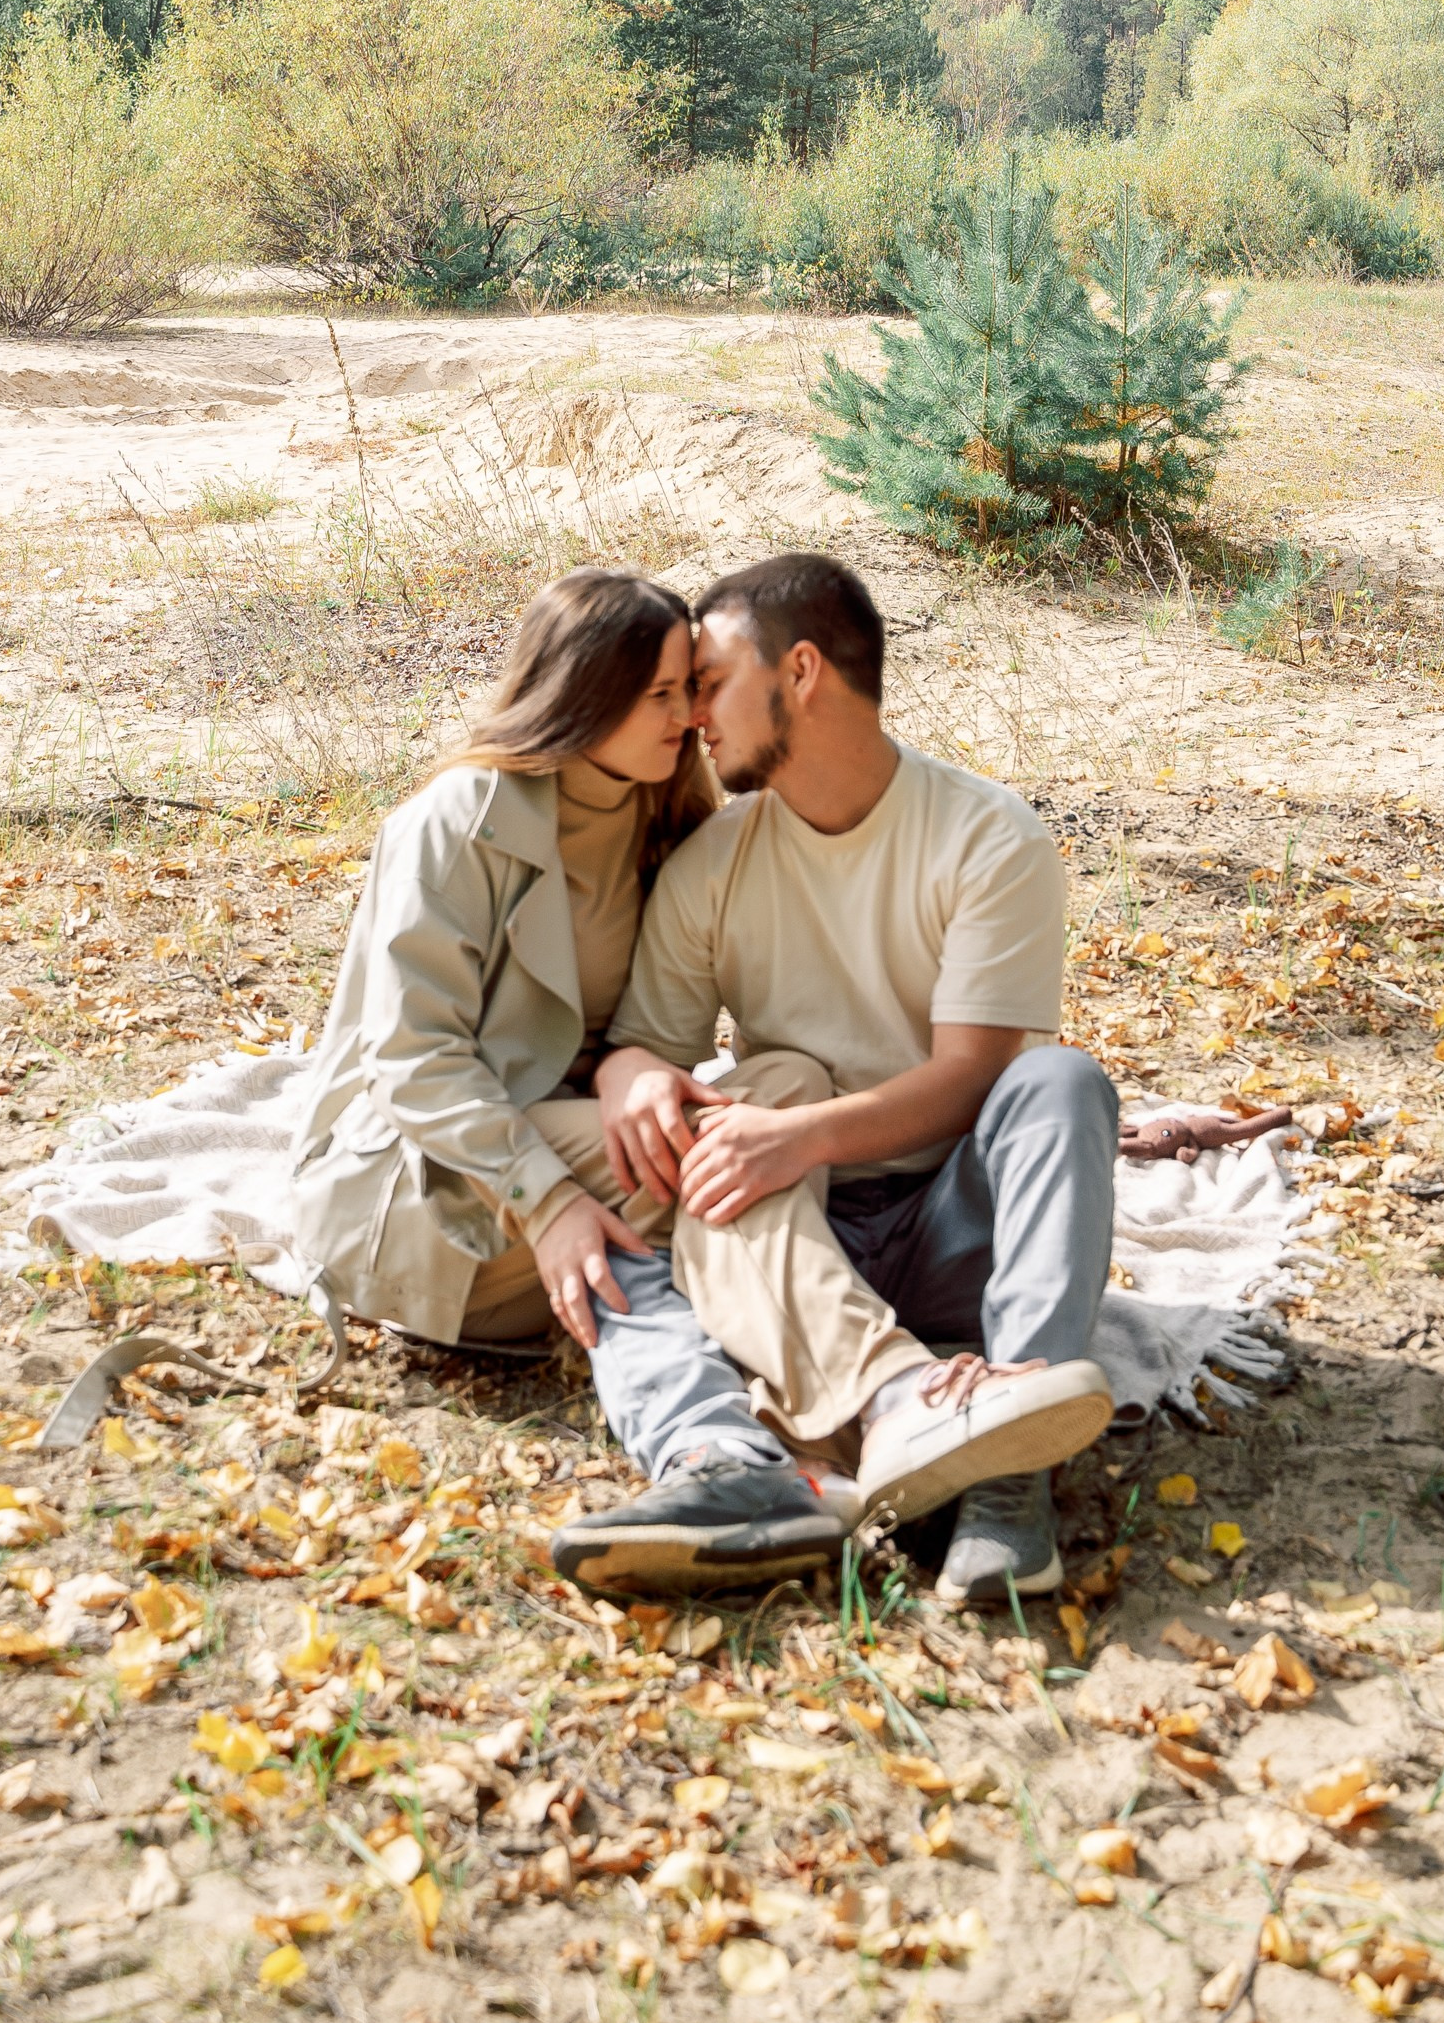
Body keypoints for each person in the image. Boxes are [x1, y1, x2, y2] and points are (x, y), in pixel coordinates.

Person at [551, 550, 1119, 1612]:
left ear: (801, 671)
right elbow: (647, 1048)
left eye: (710, 683)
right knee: (719, 1128)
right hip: (789, 1236)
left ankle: (1008, 1482)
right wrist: (631, 1074)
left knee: (1059, 1080)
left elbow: (971, 1077)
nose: (692, 718)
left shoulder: (986, 836)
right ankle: (842, 1435)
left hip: (952, 1225)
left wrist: (802, 1135)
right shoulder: (714, 860)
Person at [290, 567, 725, 1363]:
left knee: (787, 1104)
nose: (687, 715)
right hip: (436, 1170)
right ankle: (824, 1372)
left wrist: (631, 1063)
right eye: (659, 694)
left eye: (689, 689)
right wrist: (548, 1201)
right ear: (585, 693)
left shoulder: (669, 809)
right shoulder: (457, 821)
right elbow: (413, 1059)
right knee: (726, 1154)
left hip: (571, 1119)